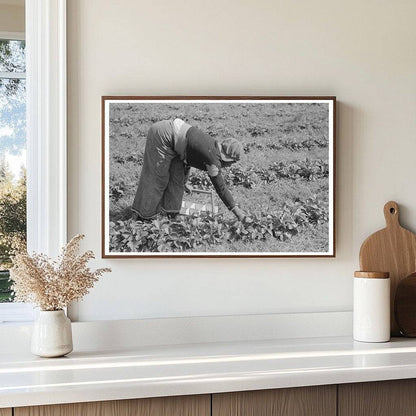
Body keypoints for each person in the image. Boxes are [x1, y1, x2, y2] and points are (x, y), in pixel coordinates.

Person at [131, 118, 245, 221]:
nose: (230, 166)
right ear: (227, 158)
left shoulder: (214, 148)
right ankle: (144, 217)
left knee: (177, 179)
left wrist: (185, 182)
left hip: (175, 144)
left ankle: (171, 214)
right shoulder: (213, 161)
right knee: (158, 178)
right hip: (162, 136)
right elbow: (221, 188)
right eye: (232, 162)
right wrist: (239, 214)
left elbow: (189, 159)